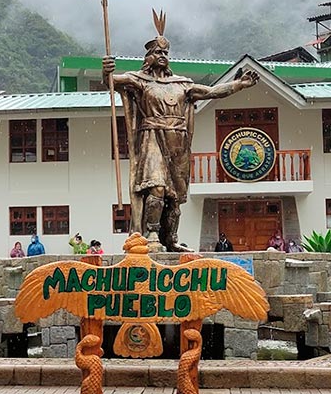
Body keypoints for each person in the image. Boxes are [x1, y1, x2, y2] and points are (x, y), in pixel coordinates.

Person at [102, 14, 259, 252]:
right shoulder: (140, 80)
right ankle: (152, 234)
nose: (162, 56)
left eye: (166, 53)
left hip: (178, 141)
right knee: (156, 187)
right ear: (148, 57)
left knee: (174, 196)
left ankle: (171, 239)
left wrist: (239, 85)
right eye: (158, 52)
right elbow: (114, 82)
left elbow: (213, 91)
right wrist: (107, 72)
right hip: (152, 136)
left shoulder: (183, 84)